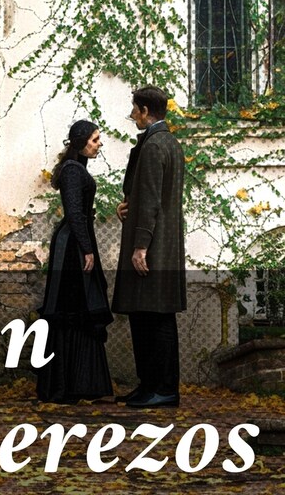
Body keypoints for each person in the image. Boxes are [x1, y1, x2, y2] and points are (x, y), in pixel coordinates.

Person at [112, 85, 186, 408]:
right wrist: (127, 204)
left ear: (145, 110)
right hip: (159, 242)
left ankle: (164, 389)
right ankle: (149, 386)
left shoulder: (156, 146)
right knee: (145, 317)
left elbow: (155, 201)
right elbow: (146, 195)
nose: (131, 116)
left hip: (154, 246)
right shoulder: (164, 142)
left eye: (134, 110)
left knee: (156, 318)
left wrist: (141, 245)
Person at [37, 120, 113, 403]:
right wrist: (87, 249)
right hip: (72, 246)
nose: (99, 144)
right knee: (72, 307)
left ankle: (78, 384)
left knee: (79, 307)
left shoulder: (77, 168)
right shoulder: (72, 171)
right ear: (81, 142)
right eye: (94, 139)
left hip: (76, 242)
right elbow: (74, 213)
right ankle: (64, 386)